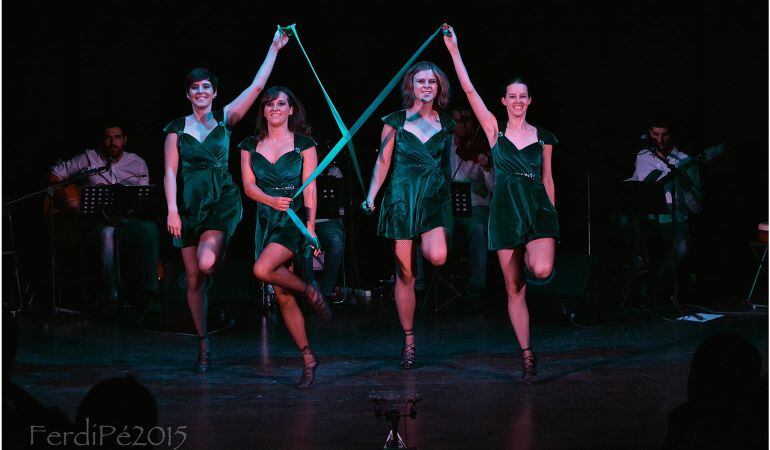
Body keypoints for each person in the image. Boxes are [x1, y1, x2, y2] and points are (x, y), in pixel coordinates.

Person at [163, 29, 289, 374]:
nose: (201, 91)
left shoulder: (225, 118)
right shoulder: (175, 129)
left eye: (206, 86)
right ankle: (204, 346)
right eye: (195, 87)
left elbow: (257, 88)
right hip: (188, 206)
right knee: (192, 280)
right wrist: (172, 209)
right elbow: (169, 173)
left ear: (214, 93)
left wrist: (274, 46)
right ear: (188, 94)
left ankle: (215, 261)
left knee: (205, 265)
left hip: (220, 200)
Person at [444, 25, 558, 380]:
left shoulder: (543, 137)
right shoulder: (495, 132)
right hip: (506, 210)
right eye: (512, 96)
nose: (518, 100)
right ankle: (526, 353)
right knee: (513, 289)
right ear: (504, 101)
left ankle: (527, 258)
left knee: (539, 270)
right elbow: (468, 89)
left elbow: (547, 178)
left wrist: (551, 214)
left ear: (530, 100)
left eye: (524, 96)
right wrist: (454, 50)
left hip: (537, 208)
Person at [362, 61, 456, 369]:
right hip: (402, 197)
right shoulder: (394, 121)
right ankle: (409, 340)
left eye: (432, 81)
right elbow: (382, 161)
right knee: (405, 274)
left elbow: (447, 164)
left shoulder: (447, 123)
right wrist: (372, 195)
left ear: (438, 86)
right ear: (411, 86)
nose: (426, 86)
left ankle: (411, 334)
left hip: (433, 198)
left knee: (438, 256)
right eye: (420, 81)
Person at [240, 86, 332, 389]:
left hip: (291, 220)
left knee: (262, 270)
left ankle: (309, 290)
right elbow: (249, 187)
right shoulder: (249, 145)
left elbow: (311, 188)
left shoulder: (304, 144)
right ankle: (308, 358)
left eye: (281, 104)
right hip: (266, 218)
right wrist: (269, 201)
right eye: (269, 104)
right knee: (281, 293)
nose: (275, 108)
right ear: (263, 110)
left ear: (291, 110)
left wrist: (311, 227)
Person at [49, 124, 159, 312]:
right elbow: (54, 174)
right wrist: (63, 196)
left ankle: (149, 292)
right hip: (95, 225)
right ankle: (110, 293)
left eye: (117, 137)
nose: (112, 142)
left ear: (124, 140)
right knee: (107, 234)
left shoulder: (137, 163)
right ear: (102, 140)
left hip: (126, 222)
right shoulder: (89, 158)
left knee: (149, 229)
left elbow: (142, 199)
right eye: (108, 138)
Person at [628, 119, 703, 297]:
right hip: (648, 221)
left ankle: (655, 286)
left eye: (664, 134)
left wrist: (685, 191)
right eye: (655, 134)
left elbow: (698, 208)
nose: (660, 140)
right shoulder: (642, 157)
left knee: (682, 246)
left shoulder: (685, 161)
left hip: (674, 222)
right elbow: (635, 193)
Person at [448, 107, 495, 302]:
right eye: (457, 121)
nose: (462, 126)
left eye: (466, 120)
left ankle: (477, 286)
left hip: (476, 206)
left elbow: (494, 188)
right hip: (448, 206)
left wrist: (485, 168)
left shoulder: (482, 148)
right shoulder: (444, 145)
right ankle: (424, 284)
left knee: (478, 228)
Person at [304, 158, 346, 303]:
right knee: (303, 242)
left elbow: (341, 198)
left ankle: (327, 289)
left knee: (337, 239)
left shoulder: (334, 172)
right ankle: (310, 288)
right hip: (303, 222)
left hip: (326, 221)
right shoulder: (300, 167)